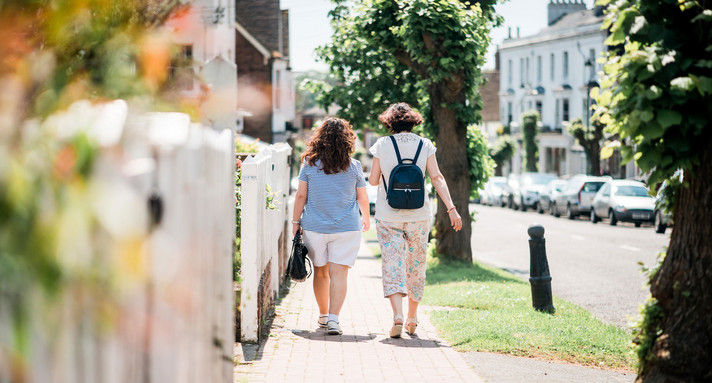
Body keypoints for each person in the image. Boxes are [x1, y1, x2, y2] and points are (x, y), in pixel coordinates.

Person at [368, 103, 462, 338]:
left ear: (389, 122)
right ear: (413, 121)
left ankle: (397, 315)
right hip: (420, 215)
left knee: (392, 263)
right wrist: (451, 208)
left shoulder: (382, 144)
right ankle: (412, 318)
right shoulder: (425, 144)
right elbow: (437, 177)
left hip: (388, 216)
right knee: (416, 265)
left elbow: (372, 180)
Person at [292, 117, 370, 335]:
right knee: (340, 274)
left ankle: (324, 315)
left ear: (320, 137)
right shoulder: (353, 166)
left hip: (315, 227)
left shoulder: (309, 164)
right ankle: (335, 319)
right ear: (347, 139)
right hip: (346, 227)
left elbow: (300, 196)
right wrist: (366, 217)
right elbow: (363, 197)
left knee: (320, 272)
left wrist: (295, 222)